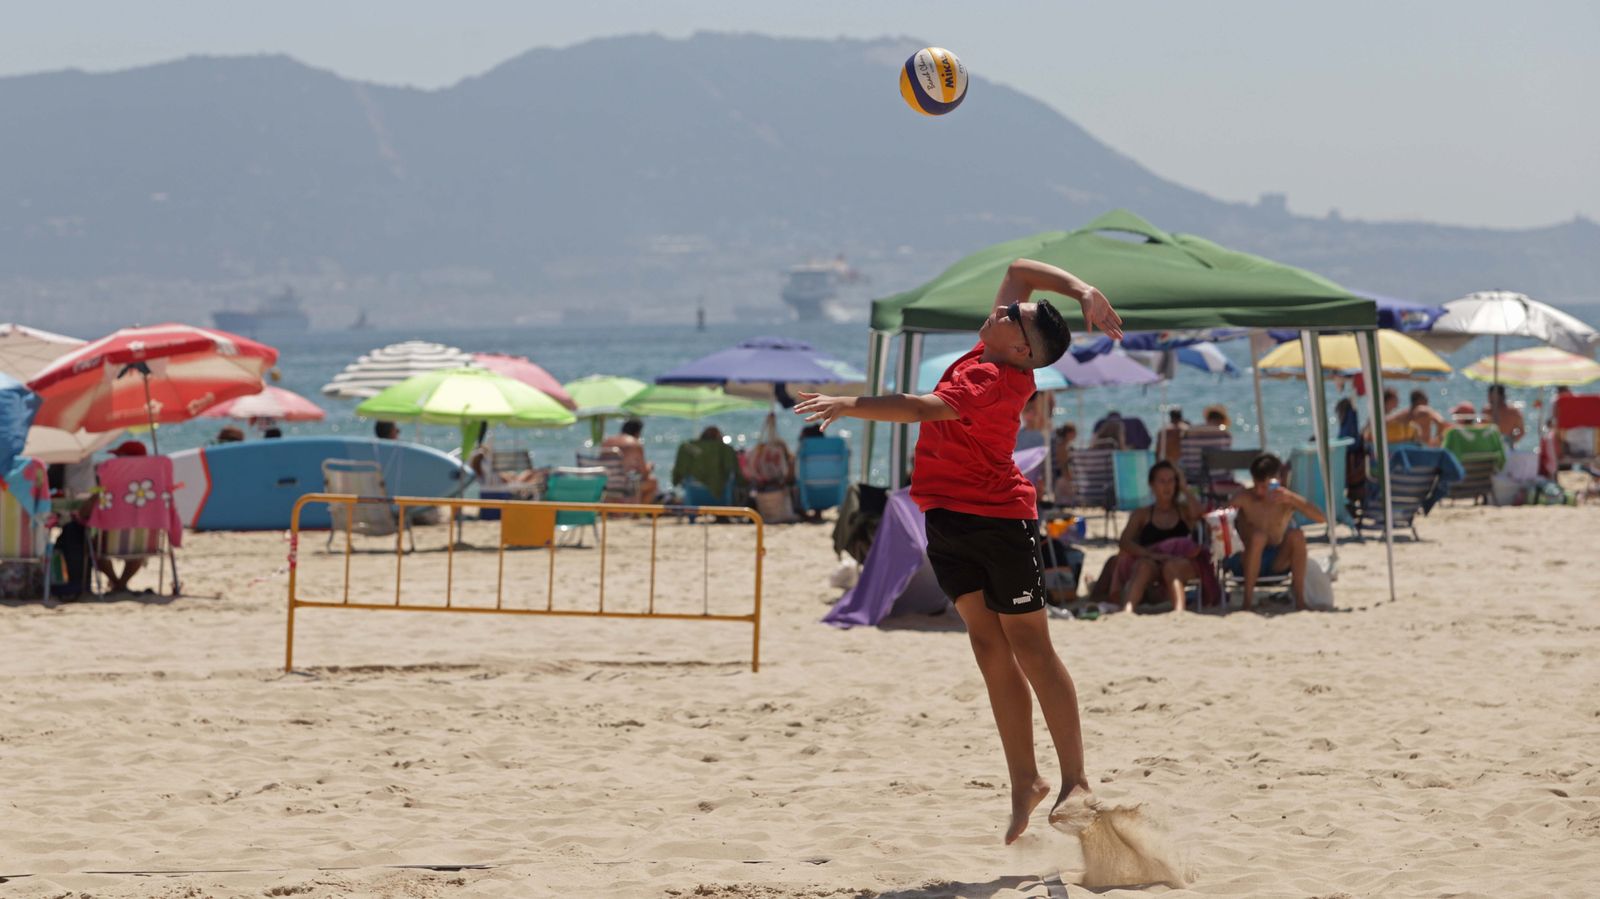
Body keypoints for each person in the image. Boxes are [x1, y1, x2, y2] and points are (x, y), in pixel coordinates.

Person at [793, 256, 1123, 844]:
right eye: (1005, 308)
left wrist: (851, 404)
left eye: (1008, 316)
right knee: (985, 644)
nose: (998, 308)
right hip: (946, 519)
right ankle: (1026, 781)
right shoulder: (994, 350)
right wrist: (1082, 288)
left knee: (1031, 648)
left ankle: (1076, 781)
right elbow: (1021, 269)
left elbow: (920, 408)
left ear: (1022, 350)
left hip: (1000, 524)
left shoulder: (992, 379)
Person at [1229, 453, 1325, 612]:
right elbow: (1218, 520)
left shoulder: (1285, 499)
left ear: (1276, 481)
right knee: (1259, 537)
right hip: (1245, 560)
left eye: (1264, 486)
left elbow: (1321, 518)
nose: (1260, 491)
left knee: (1297, 536)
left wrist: (1293, 499)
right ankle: (1247, 602)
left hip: (1276, 561)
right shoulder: (1245, 498)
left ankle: (1300, 602)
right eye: (1257, 485)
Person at [1114, 460, 1202, 613]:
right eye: (1162, 481)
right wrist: (1151, 554)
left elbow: (1198, 514)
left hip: (1179, 562)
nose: (1167, 486)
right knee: (1143, 567)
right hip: (1153, 560)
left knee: (1171, 567)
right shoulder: (1142, 514)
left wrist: (1184, 488)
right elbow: (1125, 542)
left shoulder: (1183, 511)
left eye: (1171, 481)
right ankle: (1128, 610)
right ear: (1152, 485)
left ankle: (1179, 611)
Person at [95, 440, 150, 592]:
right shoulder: (152, 487)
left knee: (92, 543)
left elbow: (93, 505)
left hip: (108, 541)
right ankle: (121, 584)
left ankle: (116, 583)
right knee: (140, 543)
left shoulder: (111, 481)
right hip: (144, 540)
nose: (116, 460)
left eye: (119, 456)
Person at [671, 425, 746, 503]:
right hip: (721, 496)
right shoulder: (726, 450)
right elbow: (737, 475)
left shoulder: (687, 448)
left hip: (694, 495)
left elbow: (678, 473)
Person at [600, 418, 660, 502]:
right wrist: (649, 467)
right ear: (638, 432)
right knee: (653, 482)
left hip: (604, 485)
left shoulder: (606, 442)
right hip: (624, 486)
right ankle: (637, 513)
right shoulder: (634, 443)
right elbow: (644, 474)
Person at [1051, 423, 1078, 501]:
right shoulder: (1062, 446)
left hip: (1059, 477)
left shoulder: (1062, 444)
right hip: (1061, 478)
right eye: (1074, 433)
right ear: (1068, 433)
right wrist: (1070, 478)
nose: (1076, 435)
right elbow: (1063, 465)